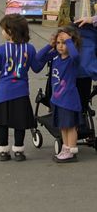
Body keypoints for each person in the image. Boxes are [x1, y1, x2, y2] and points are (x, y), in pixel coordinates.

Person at [0, 14, 39, 162]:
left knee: (2, 123)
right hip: (21, 91)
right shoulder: (29, 48)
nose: (1, 32)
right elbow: (36, 67)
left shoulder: (2, 49)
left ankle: (3, 150)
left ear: (11, 31)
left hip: (4, 91)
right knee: (20, 122)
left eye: (3, 29)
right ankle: (19, 150)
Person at [35, 27, 82, 162]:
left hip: (68, 99)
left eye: (64, 43)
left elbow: (75, 55)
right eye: (58, 43)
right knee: (62, 125)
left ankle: (71, 150)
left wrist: (69, 41)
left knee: (70, 125)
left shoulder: (72, 60)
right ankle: (65, 148)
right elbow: (39, 57)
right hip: (57, 99)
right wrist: (50, 45)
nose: (61, 46)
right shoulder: (55, 55)